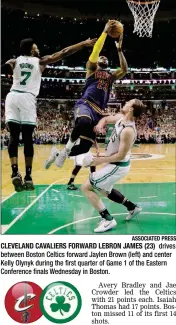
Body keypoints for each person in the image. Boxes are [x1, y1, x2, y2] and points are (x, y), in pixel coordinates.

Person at [2, 37, 96, 192]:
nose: (38, 48)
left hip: (12, 96)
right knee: (27, 138)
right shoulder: (40, 61)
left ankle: (14, 172)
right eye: (36, 46)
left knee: (13, 136)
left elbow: (3, 68)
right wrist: (83, 44)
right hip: (27, 98)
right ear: (32, 49)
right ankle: (28, 176)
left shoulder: (14, 61)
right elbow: (64, 52)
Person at [44, 20, 128, 170]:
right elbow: (95, 51)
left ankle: (58, 154)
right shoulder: (91, 70)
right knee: (82, 122)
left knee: (84, 147)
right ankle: (66, 152)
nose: (103, 58)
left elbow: (125, 69)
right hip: (86, 104)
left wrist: (120, 50)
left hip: (98, 112)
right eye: (101, 58)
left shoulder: (110, 77)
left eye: (106, 58)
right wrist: (104, 32)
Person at [81, 99, 146, 233]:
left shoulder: (129, 130)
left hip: (118, 165)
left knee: (86, 187)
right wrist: (100, 125)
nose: (126, 102)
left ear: (131, 109)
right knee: (107, 191)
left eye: (129, 102)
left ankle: (108, 219)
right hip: (113, 162)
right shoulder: (120, 118)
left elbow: (120, 156)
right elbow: (105, 119)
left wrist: (100, 160)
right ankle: (132, 207)